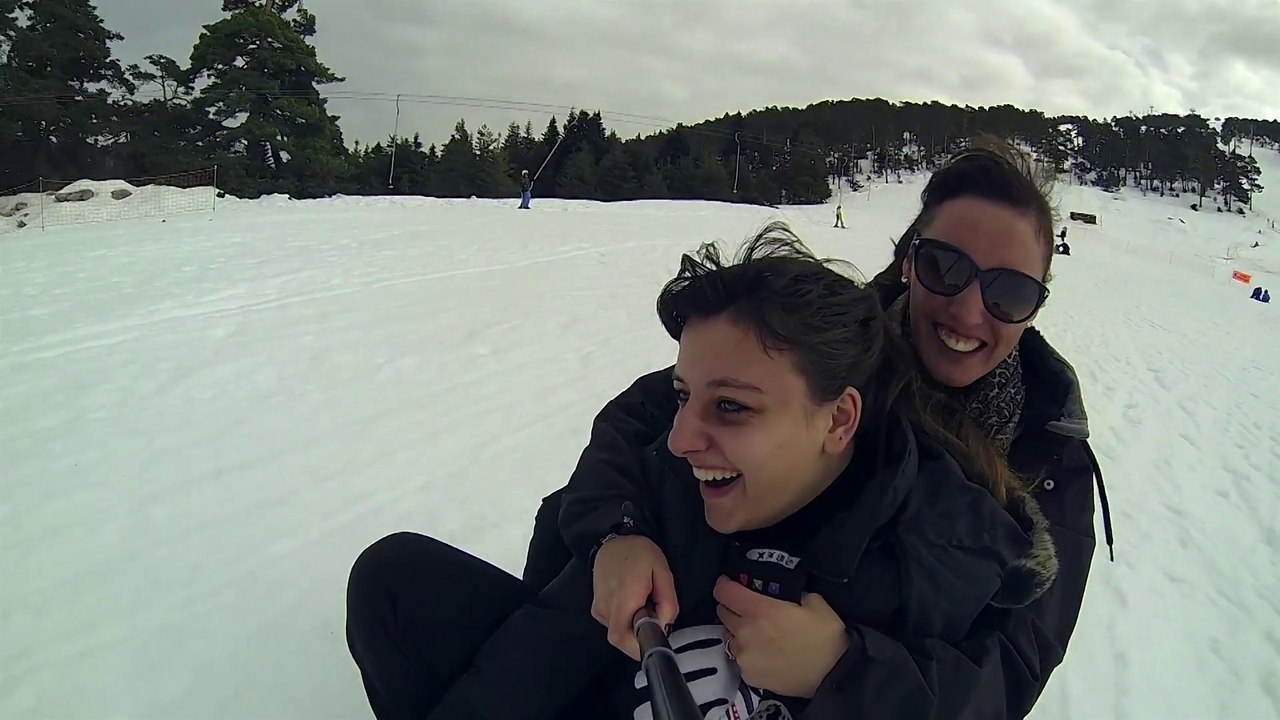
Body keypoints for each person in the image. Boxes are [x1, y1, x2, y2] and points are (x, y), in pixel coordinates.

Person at [346, 225, 1058, 720]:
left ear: (838, 420)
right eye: (685, 396)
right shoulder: (675, 483)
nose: (683, 438)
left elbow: (976, 699)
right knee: (397, 579)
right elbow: (533, 662)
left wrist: (844, 672)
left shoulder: (937, 558)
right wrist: (612, 538)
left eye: (730, 408)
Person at [528, 138, 1110, 719]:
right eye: (944, 266)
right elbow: (648, 417)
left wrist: (846, 668)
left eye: (1009, 290)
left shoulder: (1051, 458)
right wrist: (616, 532)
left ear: (1036, 304)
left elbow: (1010, 671)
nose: (967, 309)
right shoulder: (828, 342)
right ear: (909, 260)